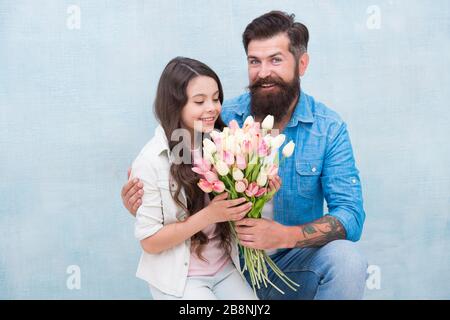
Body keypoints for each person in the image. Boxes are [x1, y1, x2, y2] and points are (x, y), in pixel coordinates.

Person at [123, 11, 367, 300]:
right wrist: (143, 199)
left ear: (302, 64)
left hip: (294, 267)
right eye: (254, 61)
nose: (264, 72)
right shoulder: (220, 118)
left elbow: (350, 215)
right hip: (231, 269)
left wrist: (284, 235)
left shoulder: (328, 129)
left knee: (348, 260)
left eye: (276, 60)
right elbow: (170, 164)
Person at [129, 56, 282, 299]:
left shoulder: (224, 142)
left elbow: (237, 211)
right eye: (199, 101)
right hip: (181, 278)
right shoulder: (151, 160)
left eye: (216, 98)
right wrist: (210, 215)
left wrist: (262, 191)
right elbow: (149, 242)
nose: (212, 108)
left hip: (224, 268)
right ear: (175, 105)